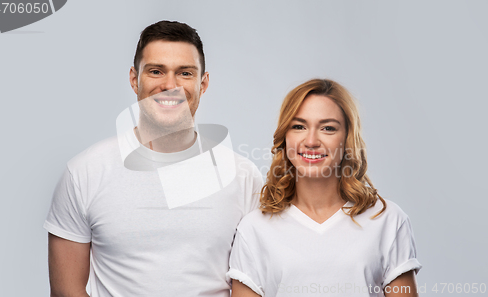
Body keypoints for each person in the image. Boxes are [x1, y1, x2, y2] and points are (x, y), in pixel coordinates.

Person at [44, 20, 263, 297]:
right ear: (135, 79)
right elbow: (66, 291)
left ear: (203, 83)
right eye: (156, 71)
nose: (170, 85)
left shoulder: (243, 176)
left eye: (184, 73)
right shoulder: (84, 172)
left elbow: (253, 285)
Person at [227, 79, 421, 297]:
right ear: (285, 137)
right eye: (299, 126)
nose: (311, 141)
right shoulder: (254, 229)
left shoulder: (388, 220)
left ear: (348, 138)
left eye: (328, 128)